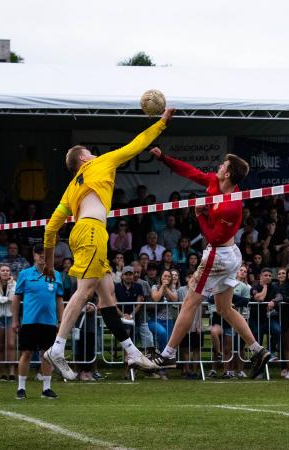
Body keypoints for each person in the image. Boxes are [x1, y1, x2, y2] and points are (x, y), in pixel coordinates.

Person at [41, 109, 175, 380]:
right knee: (85, 291)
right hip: (92, 231)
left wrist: (47, 260)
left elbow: (52, 226)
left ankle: (132, 352)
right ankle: (57, 347)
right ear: (82, 158)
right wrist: (161, 123)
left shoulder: (71, 187)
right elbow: (136, 145)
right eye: (88, 151)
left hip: (81, 232)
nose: (92, 153)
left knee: (107, 298)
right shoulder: (99, 163)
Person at [147, 146, 271, 378]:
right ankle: (258, 350)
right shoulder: (215, 182)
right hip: (228, 254)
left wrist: (199, 215)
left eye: (223, 166)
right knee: (224, 308)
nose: (218, 167)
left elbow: (214, 237)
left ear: (228, 175)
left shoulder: (232, 206)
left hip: (219, 254)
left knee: (189, 303)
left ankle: (167, 354)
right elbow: (191, 172)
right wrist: (164, 159)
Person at [11, 245, 64, 399]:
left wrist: (61, 320)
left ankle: (46, 389)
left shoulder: (56, 275)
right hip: (29, 321)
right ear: (34, 255)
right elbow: (16, 298)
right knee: (26, 353)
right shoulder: (24, 274)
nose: (42, 256)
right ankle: (21, 388)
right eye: (39, 254)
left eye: (45, 254)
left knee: (47, 355)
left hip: (49, 322)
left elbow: (59, 299)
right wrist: (15, 319)